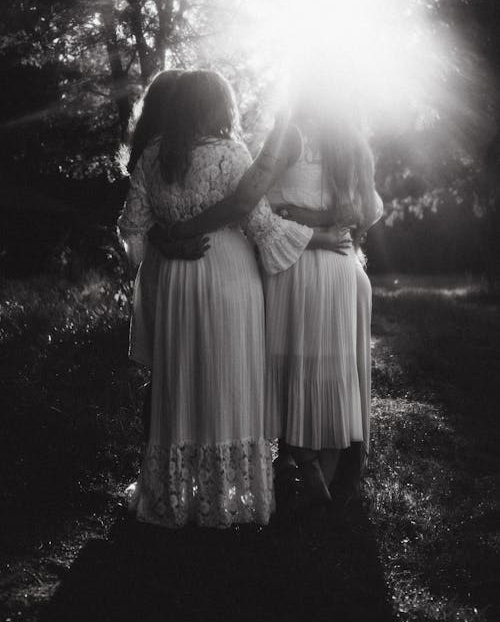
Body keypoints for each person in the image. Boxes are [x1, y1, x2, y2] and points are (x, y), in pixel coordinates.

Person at [118, 69, 342, 528]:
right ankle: (228, 499)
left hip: (178, 280)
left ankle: (175, 497)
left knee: (179, 380)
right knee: (231, 379)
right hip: (230, 276)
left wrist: (164, 243)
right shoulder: (230, 152)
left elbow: (132, 232)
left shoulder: (154, 156)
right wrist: (316, 238)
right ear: (219, 107)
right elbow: (258, 225)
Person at [154, 81, 382, 505]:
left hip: (296, 267)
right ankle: (319, 476)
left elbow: (247, 199)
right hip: (340, 268)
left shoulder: (291, 133)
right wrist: (323, 216)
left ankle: (303, 462)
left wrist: (178, 229)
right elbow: (369, 210)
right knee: (323, 373)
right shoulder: (351, 140)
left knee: (288, 368)